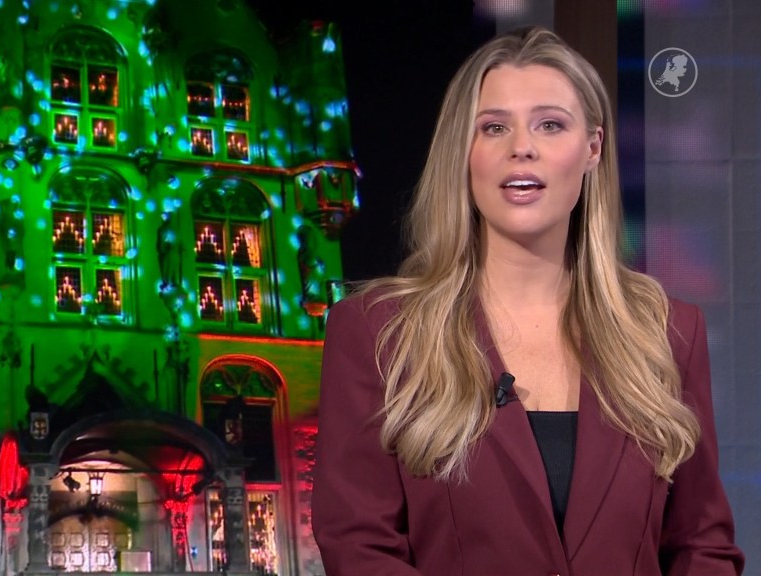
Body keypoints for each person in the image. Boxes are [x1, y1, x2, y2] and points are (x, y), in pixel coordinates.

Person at [312, 27, 744, 576]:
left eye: (550, 124)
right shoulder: (377, 333)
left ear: (592, 149)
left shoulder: (668, 332)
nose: (522, 147)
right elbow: (359, 548)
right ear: (463, 152)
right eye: (494, 127)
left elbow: (701, 545)